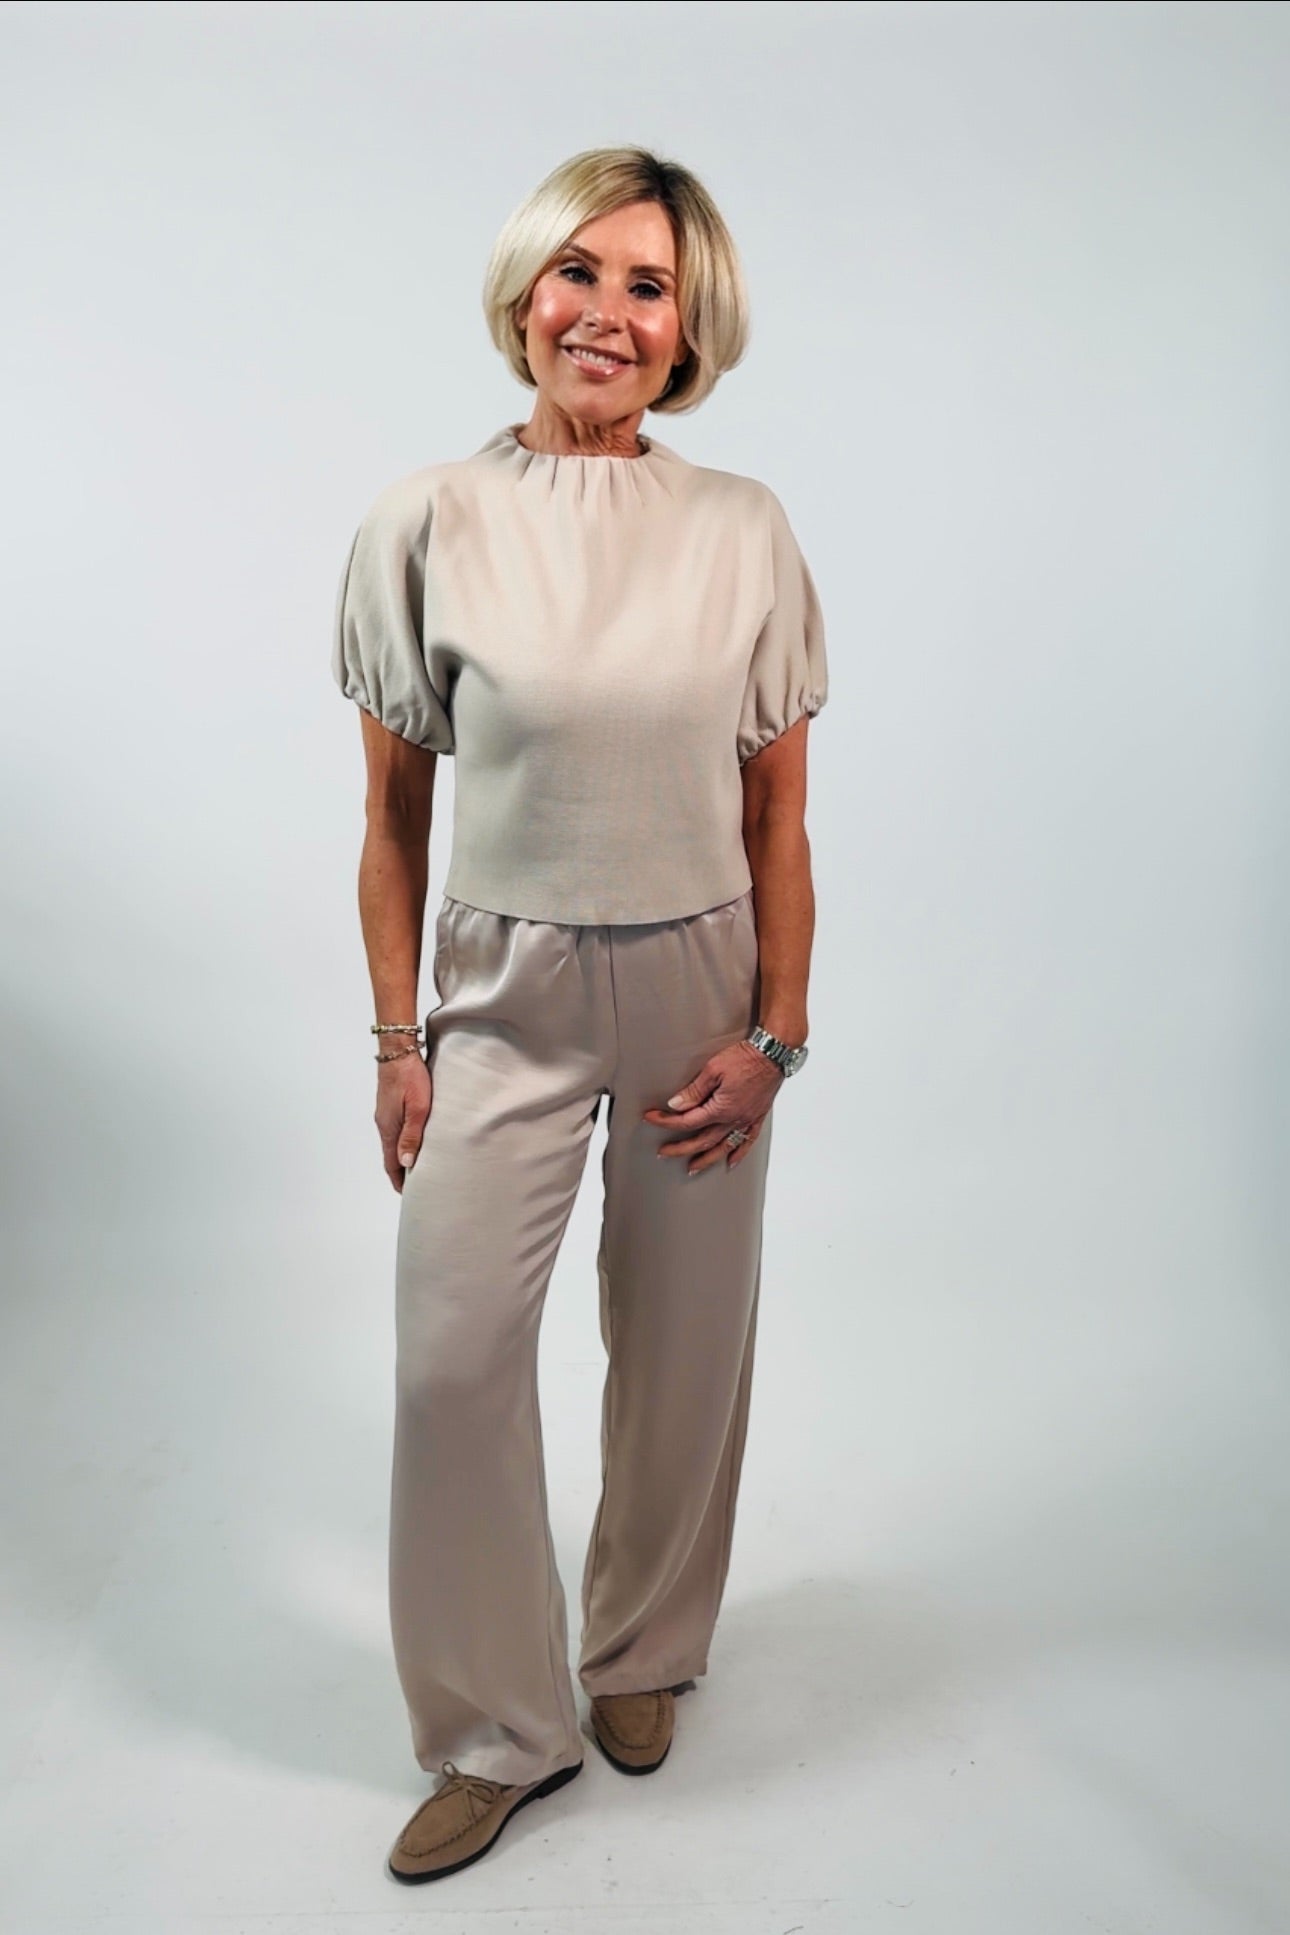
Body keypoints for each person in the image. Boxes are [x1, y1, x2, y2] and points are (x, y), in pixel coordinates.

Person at [332, 143, 828, 1885]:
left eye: (648, 286)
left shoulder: (741, 528)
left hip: (699, 986)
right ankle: (495, 1729)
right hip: (505, 1000)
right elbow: (392, 819)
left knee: (682, 1352)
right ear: (524, 291)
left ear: (688, 330)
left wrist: (774, 1039)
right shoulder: (425, 519)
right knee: (453, 1359)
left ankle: (640, 1651)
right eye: (579, 272)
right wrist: (398, 1043)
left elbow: (777, 818)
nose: (606, 313)